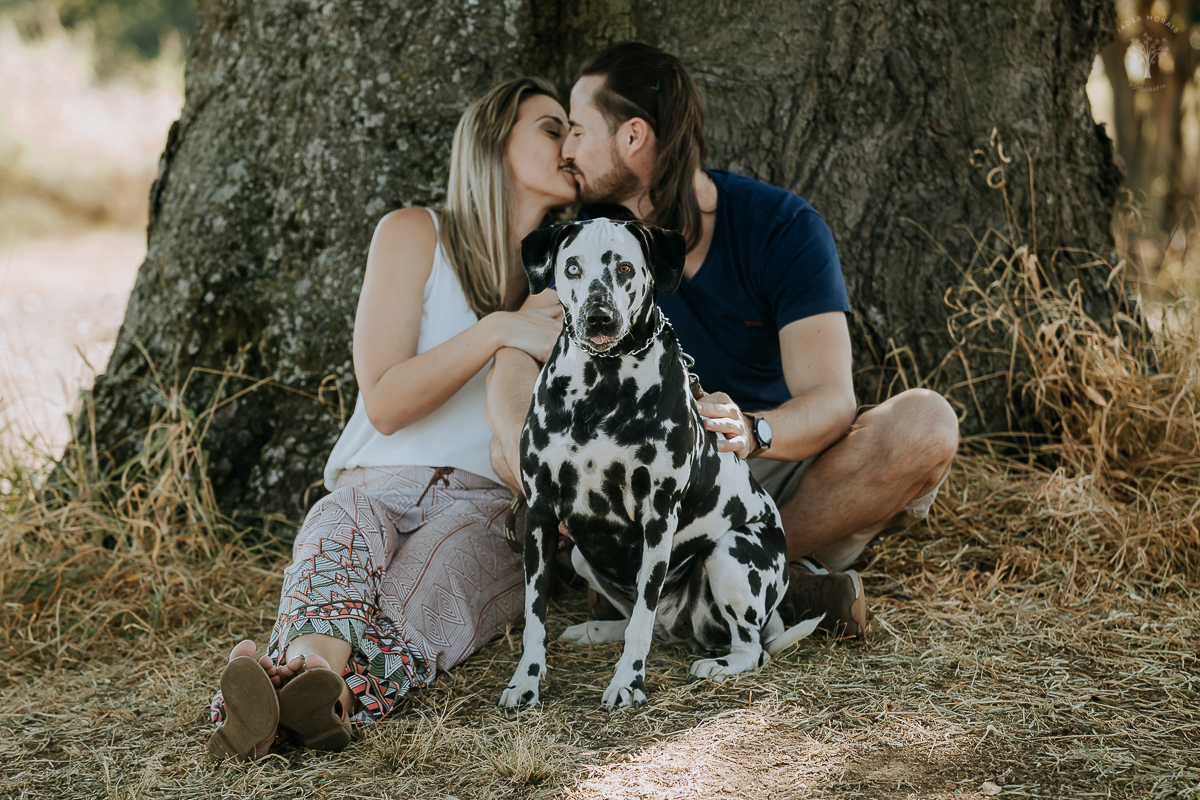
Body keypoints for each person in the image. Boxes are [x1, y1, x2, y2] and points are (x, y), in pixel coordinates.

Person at [486, 43, 960, 641]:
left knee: (927, 425)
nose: (567, 151)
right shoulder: (593, 244)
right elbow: (512, 357)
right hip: (641, 479)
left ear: (634, 137)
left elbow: (832, 400)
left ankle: (731, 576)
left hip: (764, 470)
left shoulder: (781, 228)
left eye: (578, 131)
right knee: (513, 439)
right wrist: (527, 457)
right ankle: (768, 588)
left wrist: (752, 430)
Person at [206, 76, 576, 761]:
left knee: (431, 593)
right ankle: (312, 679)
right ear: (495, 141)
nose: (571, 142)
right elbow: (385, 398)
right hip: (377, 480)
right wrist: (499, 328)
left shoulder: (568, 277)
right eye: (553, 127)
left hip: (488, 505)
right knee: (337, 539)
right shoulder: (415, 234)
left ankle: (285, 696)